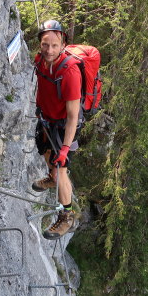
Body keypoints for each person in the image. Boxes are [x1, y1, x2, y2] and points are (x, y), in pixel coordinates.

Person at [32, 19, 82, 240]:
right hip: (47, 118)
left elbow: (73, 116)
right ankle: (52, 177)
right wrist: (39, 107)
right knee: (44, 149)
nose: (49, 50)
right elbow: (42, 86)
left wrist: (64, 149)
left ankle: (67, 216)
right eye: (45, 44)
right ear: (40, 44)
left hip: (64, 125)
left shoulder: (70, 72)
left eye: (54, 45)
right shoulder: (40, 61)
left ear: (63, 44)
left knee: (61, 167)